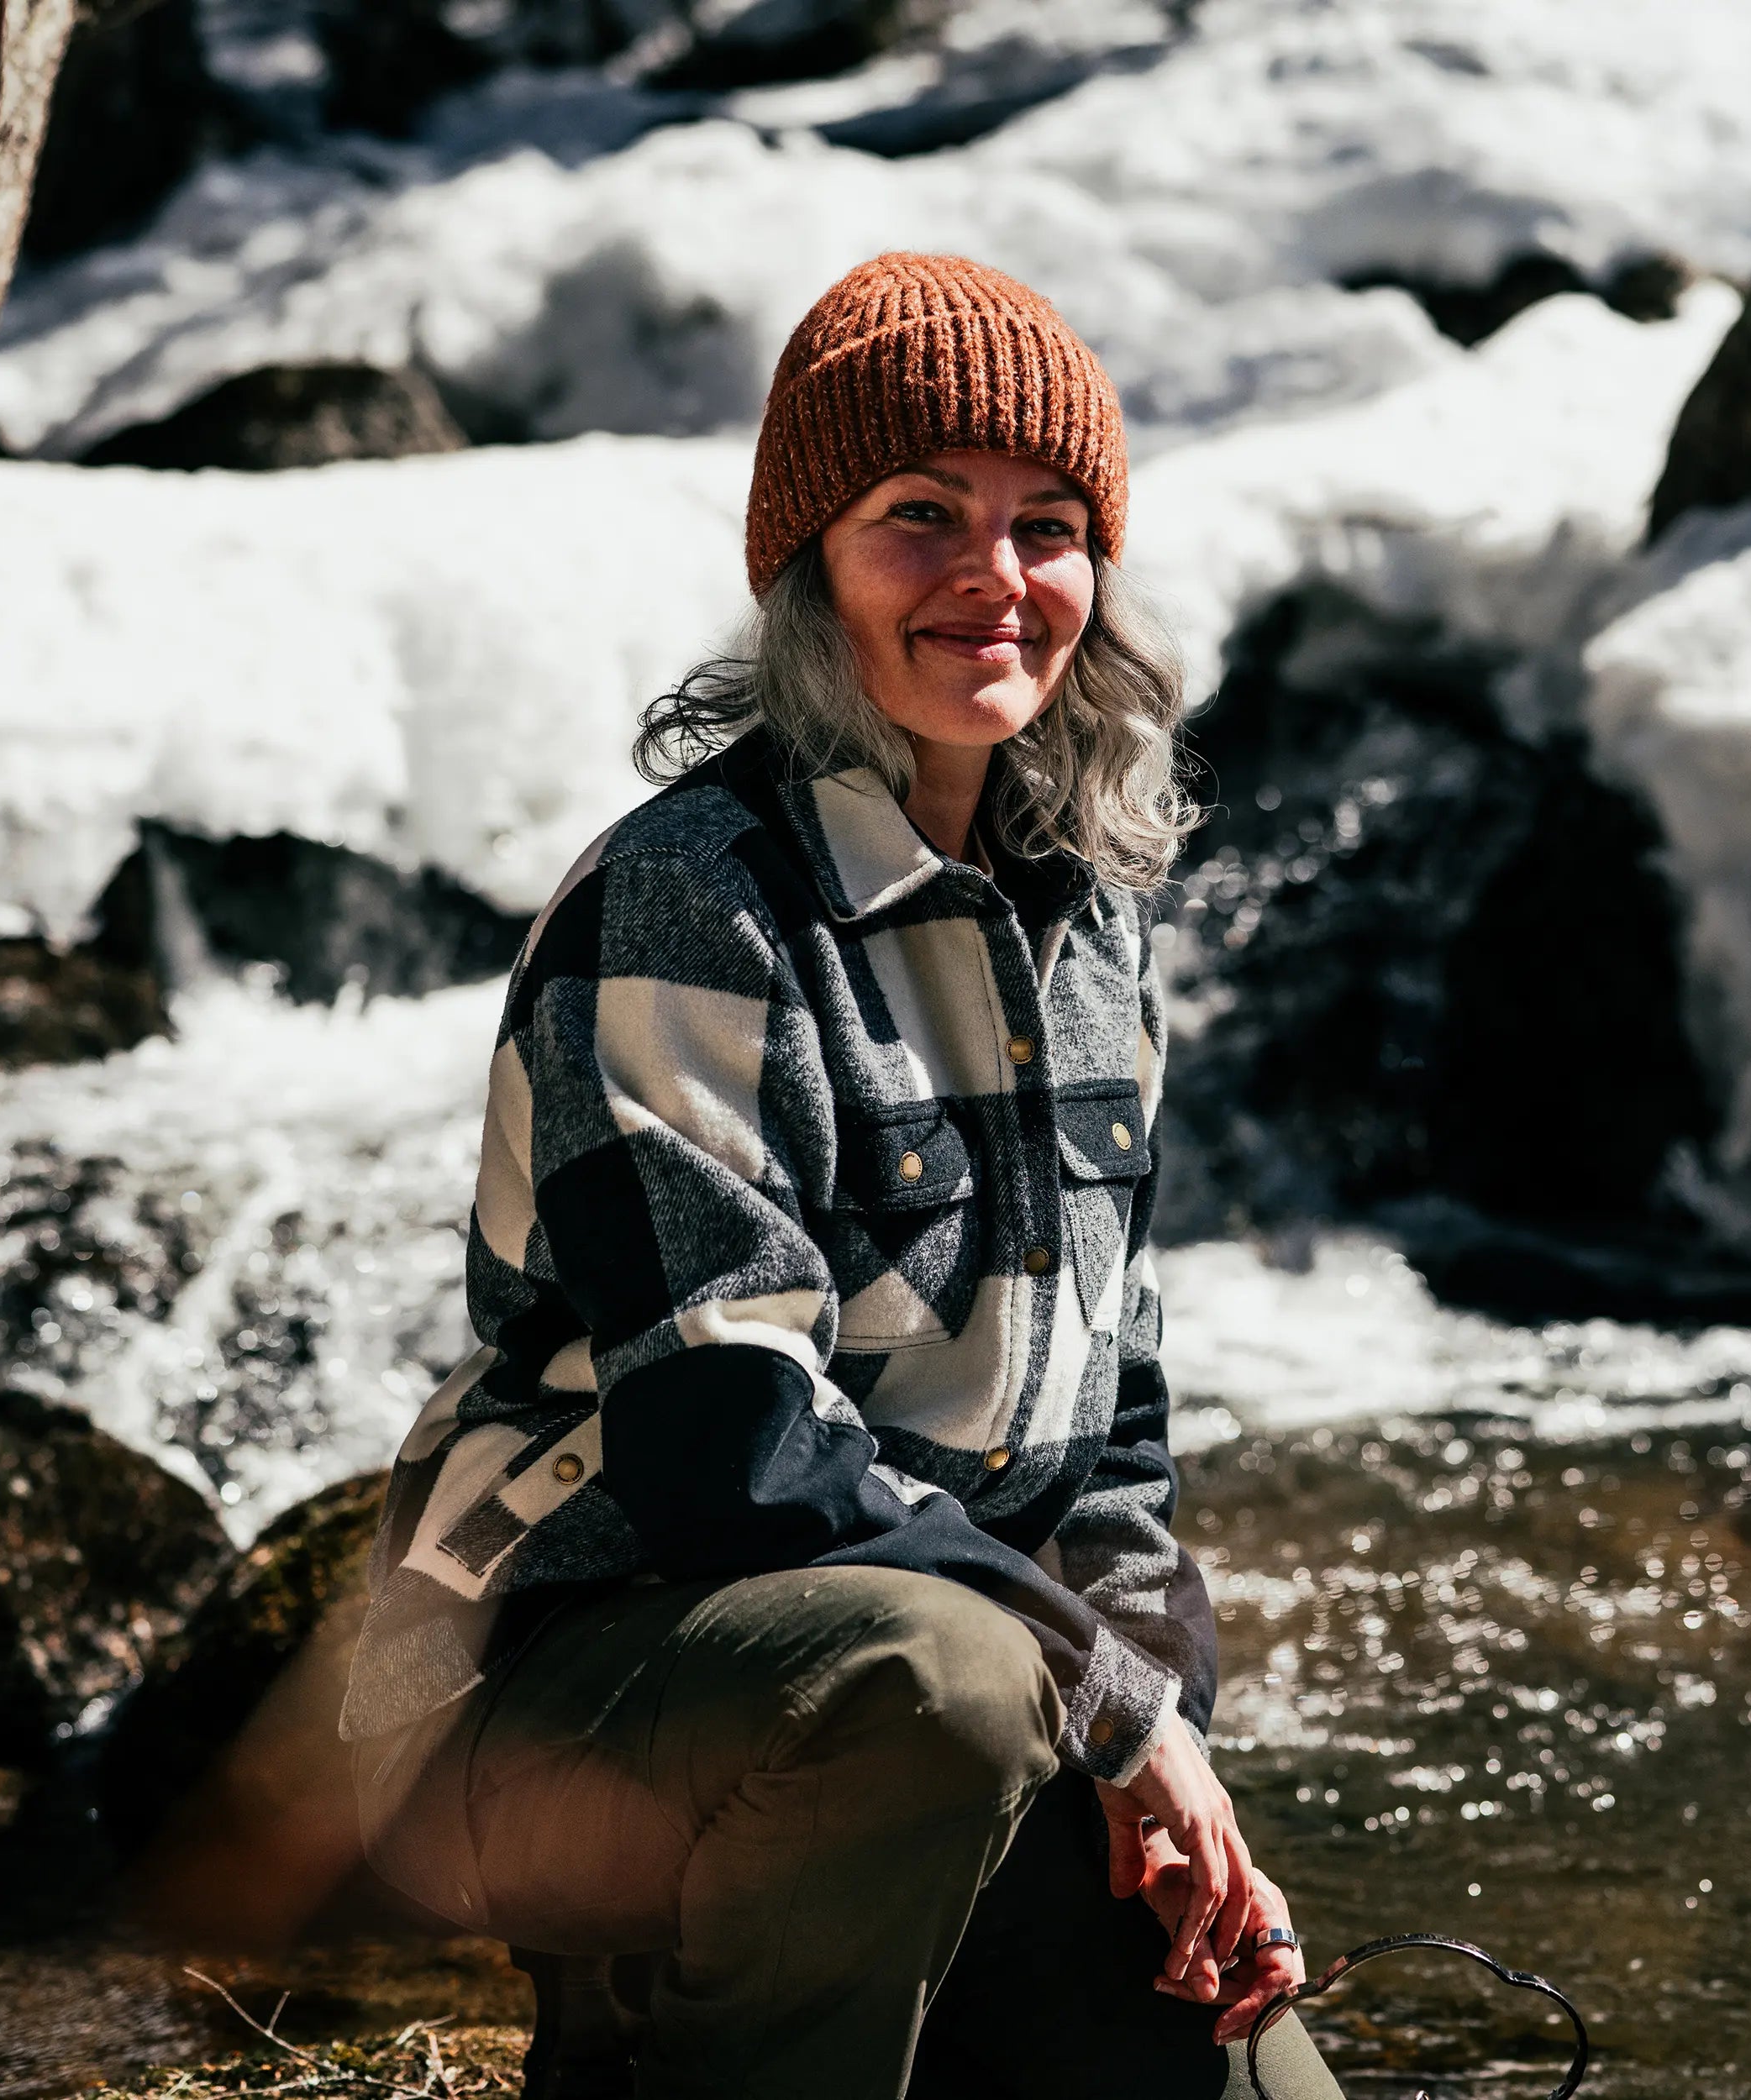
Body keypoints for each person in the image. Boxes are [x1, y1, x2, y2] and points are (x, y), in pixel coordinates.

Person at [341, 253, 1340, 2100]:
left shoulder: (1092, 924)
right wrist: (1106, 1715)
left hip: (945, 1684)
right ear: (805, 561)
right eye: (919, 517)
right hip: (566, 1695)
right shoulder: (689, 897)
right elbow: (731, 1446)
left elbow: (1108, 1435)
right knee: (930, 1683)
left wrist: (1170, 1768)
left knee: (1247, 2070)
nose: (995, 576)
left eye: (1047, 525)